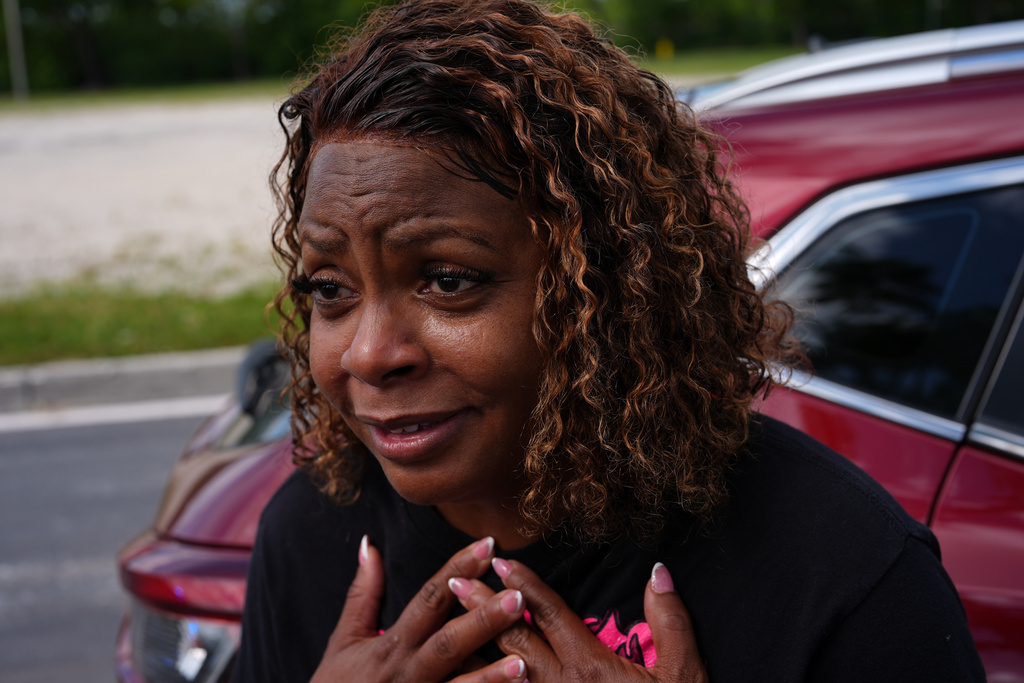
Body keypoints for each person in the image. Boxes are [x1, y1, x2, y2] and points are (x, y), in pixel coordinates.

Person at [233, 1, 985, 681]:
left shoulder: (837, 569)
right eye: (330, 288)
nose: (368, 354)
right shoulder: (310, 537)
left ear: (603, 286)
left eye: (447, 280)